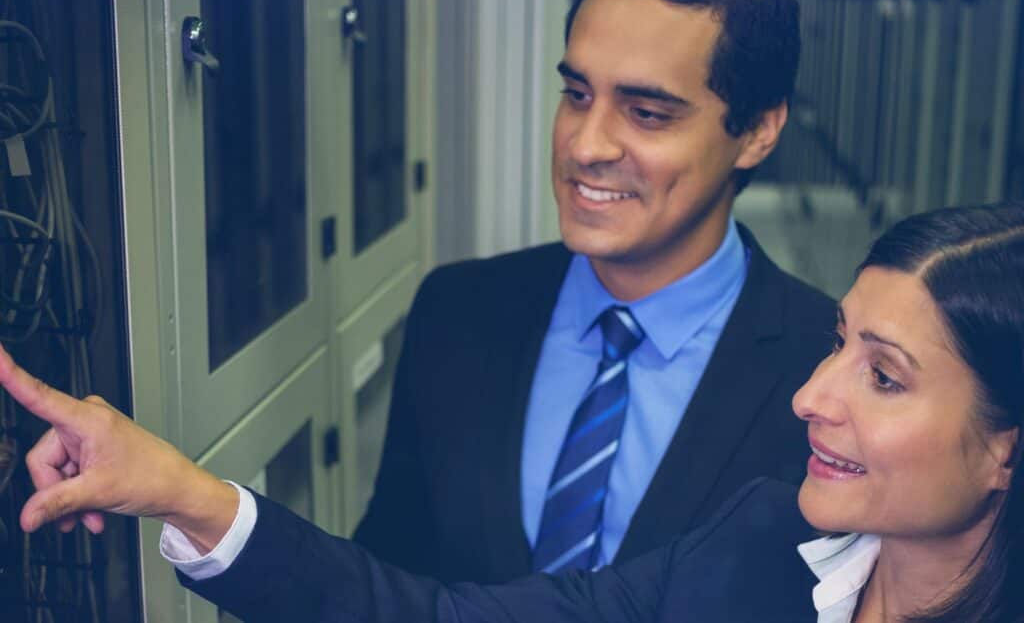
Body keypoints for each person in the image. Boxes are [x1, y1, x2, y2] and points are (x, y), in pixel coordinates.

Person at [5, 201, 1022, 622]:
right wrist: (182, 492)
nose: (812, 393)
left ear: (1002, 453)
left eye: (881, 375)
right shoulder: (762, 537)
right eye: (838, 343)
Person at [353, 0, 835, 583]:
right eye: (577, 94)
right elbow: (386, 575)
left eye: (647, 113)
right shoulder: (457, 312)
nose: (585, 144)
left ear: (757, 133)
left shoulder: (826, 373)